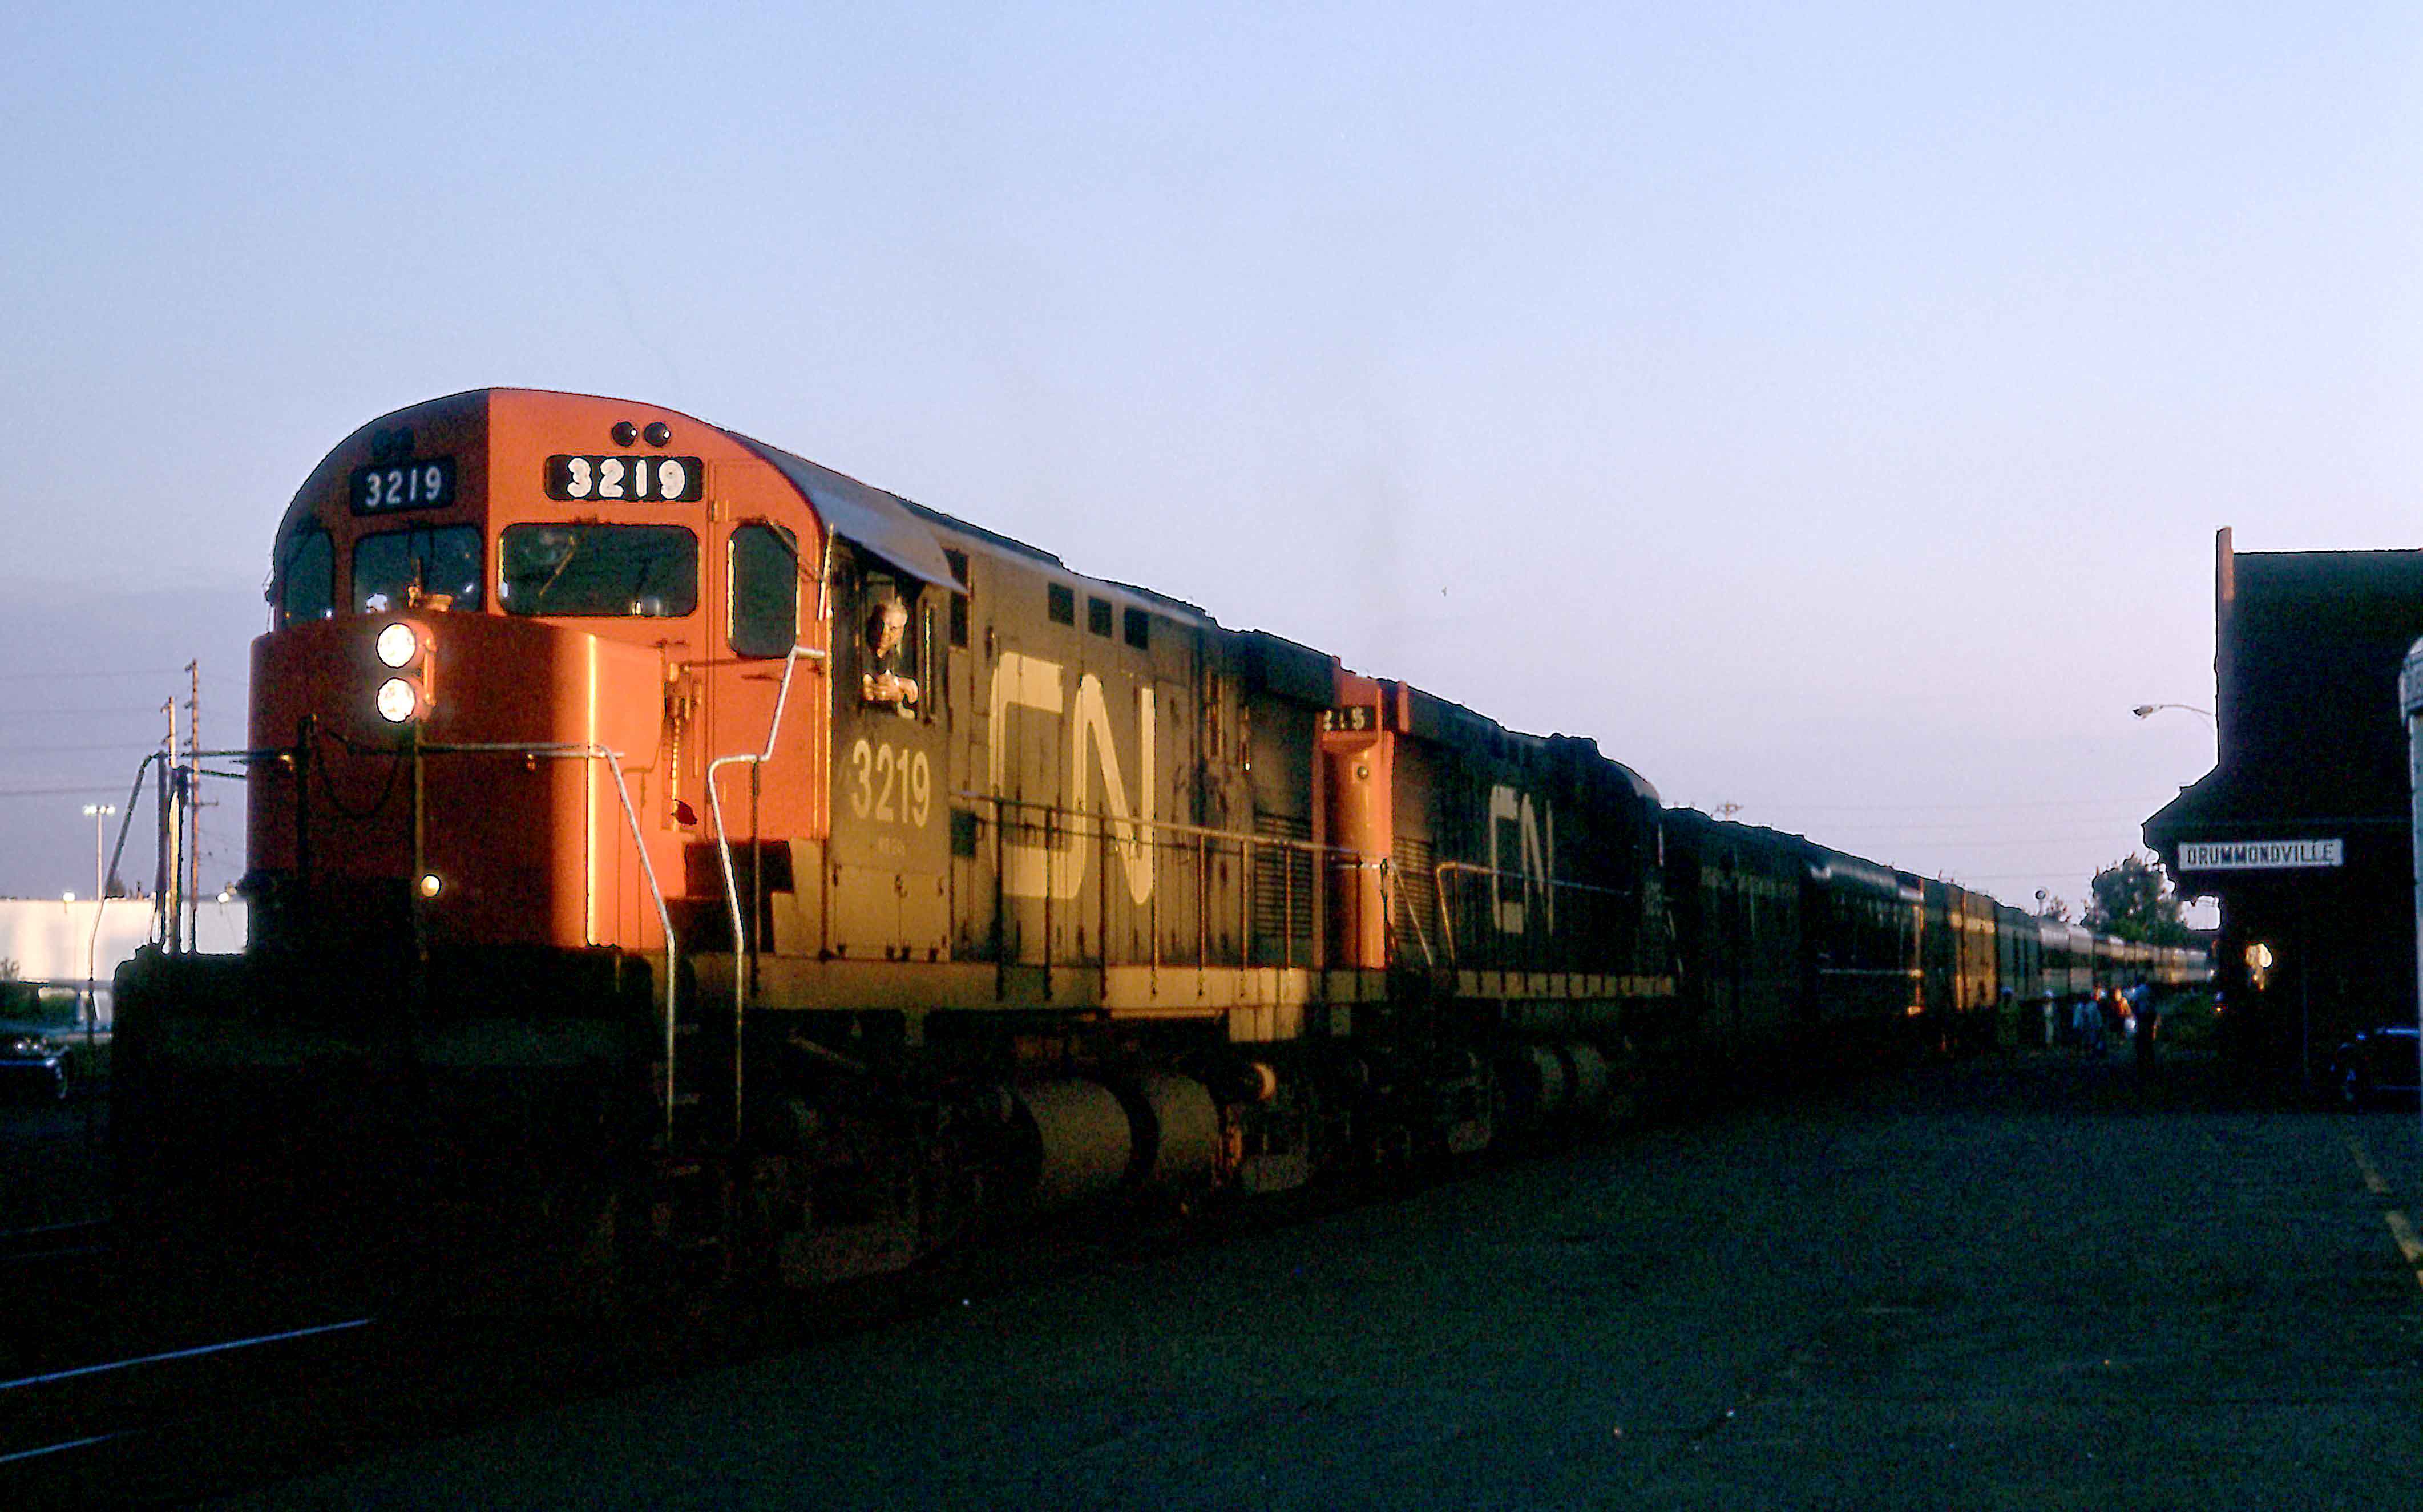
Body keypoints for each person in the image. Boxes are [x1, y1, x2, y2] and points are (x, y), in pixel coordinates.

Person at [861, 597, 920, 711]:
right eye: (881, 625)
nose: (885, 634)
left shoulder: (894, 658)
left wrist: (898, 689)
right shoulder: (862, 648)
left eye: (893, 629)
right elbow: (869, 691)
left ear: (901, 632)